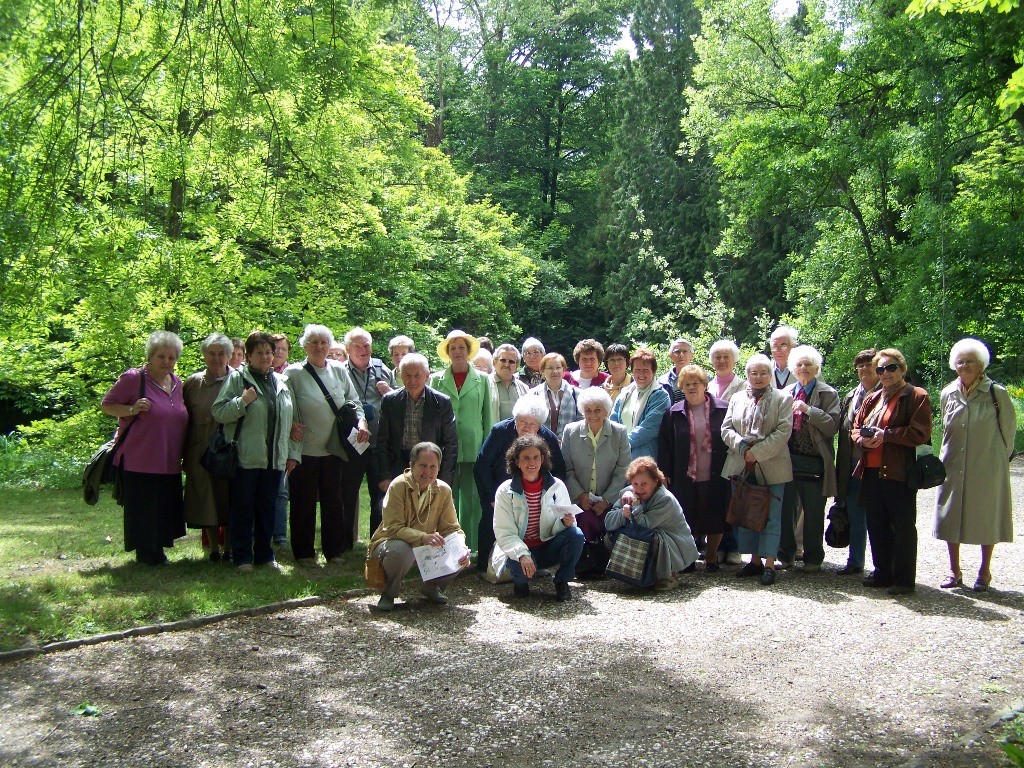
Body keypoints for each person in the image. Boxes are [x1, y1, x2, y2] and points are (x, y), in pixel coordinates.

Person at [212, 331, 298, 571]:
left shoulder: (281, 382)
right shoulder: (238, 379)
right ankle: (242, 557)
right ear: (248, 356)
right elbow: (219, 412)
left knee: (267, 507)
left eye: (269, 352)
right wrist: (243, 402)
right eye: (259, 352)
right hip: (246, 457)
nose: (265, 356)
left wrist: (291, 453)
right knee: (243, 508)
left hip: (274, 459)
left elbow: (289, 421)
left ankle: (264, 555)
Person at [101, 331, 189, 566]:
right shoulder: (134, 378)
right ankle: (146, 552)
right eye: (161, 356)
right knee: (143, 506)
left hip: (168, 458)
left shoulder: (178, 383)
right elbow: (107, 405)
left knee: (163, 505)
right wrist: (131, 409)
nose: (167, 362)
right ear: (150, 357)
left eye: (172, 357)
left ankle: (158, 548)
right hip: (140, 457)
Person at [935, 338, 1015, 592]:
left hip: (987, 465)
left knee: (986, 515)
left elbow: (1008, 434)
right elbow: (945, 430)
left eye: (970, 361)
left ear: (981, 364)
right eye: (960, 361)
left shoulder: (996, 393)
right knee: (950, 515)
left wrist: (996, 462)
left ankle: (984, 571)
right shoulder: (948, 392)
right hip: (952, 464)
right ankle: (954, 570)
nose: (965, 365)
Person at [284, 324, 369, 564]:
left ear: (330, 345)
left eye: (323, 342)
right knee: (303, 502)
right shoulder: (293, 373)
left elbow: (354, 402)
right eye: (314, 342)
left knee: (334, 501)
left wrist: (362, 423)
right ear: (304, 346)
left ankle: (334, 550)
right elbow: (285, 407)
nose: (319, 346)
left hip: (335, 448)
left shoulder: (339, 371)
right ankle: (304, 553)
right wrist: (291, 423)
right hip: (305, 449)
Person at [852, 348, 932, 595]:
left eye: (890, 368)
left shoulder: (916, 396)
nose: (885, 373)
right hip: (872, 471)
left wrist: (886, 435)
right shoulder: (873, 398)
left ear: (902, 369)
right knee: (876, 524)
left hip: (899, 472)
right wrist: (863, 441)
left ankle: (904, 579)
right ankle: (882, 572)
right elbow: (855, 428)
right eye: (880, 369)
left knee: (903, 525)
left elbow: (921, 433)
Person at [367, 442, 471, 611]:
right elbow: (393, 528)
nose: (428, 472)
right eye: (423, 466)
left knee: (460, 553)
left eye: (433, 466)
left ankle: (431, 587)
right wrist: (422, 537)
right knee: (401, 550)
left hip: (426, 544)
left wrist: (462, 546)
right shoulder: (398, 485)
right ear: (411, 465)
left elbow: (452, 528)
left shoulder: (443, 490)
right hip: (392, 542)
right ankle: (388, 593)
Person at [721, 354, 794, 586]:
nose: (758, 377)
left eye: (763, 372)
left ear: (770, 374)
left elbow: (784, 431)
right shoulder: (737, 397)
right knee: (746, 513)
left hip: (772, 465)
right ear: (747, 375)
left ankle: (770, 563)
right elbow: (726, 428)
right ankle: (753, 561)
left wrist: (758, 452)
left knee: (771, 516)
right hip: (741, 464)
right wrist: (743, 448)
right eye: (754, 372)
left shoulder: (783, 398)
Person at [474, 398, 566, 571]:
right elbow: (482, 465)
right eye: (522, 421)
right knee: (490, 519)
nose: (527, 427)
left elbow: (559, 471)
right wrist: (490, 497)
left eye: (532, 424)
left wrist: (550, 499)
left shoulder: (548, 438)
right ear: (515, 419)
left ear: (539, 426)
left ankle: (535, 563)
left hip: (536, 494)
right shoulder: (500, 431)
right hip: (498, 489)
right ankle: (484, 566)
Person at [491, 434, 585, 601]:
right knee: (520, 575)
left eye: (535, 457)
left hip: (548, 546)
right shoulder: (505, 491)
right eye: (526, 458)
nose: (531, 462)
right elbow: (504, 532)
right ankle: (520, 583)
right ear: (517, 462)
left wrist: (565, 522)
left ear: (542, 459)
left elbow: (566, 521)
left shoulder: (557, 486)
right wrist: (522, 554)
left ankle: (562, 581)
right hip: (520, 548)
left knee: (576, 534)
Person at [657, 365, 730, 573]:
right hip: (684, 475)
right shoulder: (673, 412)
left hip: (716, 473)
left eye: (695, 383)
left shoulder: (723, 409)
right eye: (686, 384)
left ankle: (712, 557)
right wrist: (665, 472)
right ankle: (687, 558)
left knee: (715, 515)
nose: (691, 387)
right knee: (686, 517)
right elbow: (665, 446)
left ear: (705, 385)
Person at [776, 345, 840, 572]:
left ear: (816, 368)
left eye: (808, 365)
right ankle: (785, 555)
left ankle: (813, 558)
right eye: (799, 364)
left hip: (815, 462)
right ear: (794, 368)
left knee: (813, 513)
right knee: (786, 511)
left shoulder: (828, 393)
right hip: (788, 461)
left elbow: (832, 426)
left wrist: (809, 410)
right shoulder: (785, 393)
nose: (803, 368)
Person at [431, 329, 493, 552]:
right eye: (453, 348)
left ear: (469, 352)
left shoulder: (483, 379)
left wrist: (487, 449)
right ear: (448, 353)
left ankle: (472, 546)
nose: (457, 352)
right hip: (444, 449)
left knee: (472, 499)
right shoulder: (436, 379)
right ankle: (446, 546)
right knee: (445, 498)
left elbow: (489, 417)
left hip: (473, 447)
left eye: (462, 348)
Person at [605, 457, 698, 590]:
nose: (639, 489)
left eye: (644, 484)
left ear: (655, 481)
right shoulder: (627, 493)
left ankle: (668, 574)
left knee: (651, 538)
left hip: (673, 541)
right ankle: (638, 573)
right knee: (609, 537)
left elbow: (645, 525)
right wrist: (623, 514)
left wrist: (635, 506)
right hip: (648, 534)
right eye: (635, 484)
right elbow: (608, 522)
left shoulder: (665, 499)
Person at [182, 333, 233, 561]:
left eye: (221, 353)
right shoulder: (193, 383)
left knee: (230, 497)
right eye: (211, 353)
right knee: (207, 499)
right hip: (200, 449)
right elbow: (182, 420)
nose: (216, 358)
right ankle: (213, 548)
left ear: (229, 356)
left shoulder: (240, 380)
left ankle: (230, 547)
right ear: (204, 356)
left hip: (230, 451)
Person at [374, 353, 459, 490]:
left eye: (417, 375)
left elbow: (451, 444)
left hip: (429, 465)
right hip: (399, 463)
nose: (412, 380)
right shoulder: (390, 401)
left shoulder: (442, 402)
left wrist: (444, 480)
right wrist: (385, 476)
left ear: (427, 376)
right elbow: (383, 441)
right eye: (407, 375)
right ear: (401, 376)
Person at [562, 387, 632, 547]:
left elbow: (623, 469)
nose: (593, 415)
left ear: (606, 411)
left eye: (598, 410)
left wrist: (607, 500)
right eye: (588, 410)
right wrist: (580, 495)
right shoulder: (570, 432)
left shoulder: (619, 432)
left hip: (610, 499)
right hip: (580, 501)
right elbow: (567, 468)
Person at [343, 327, 395, 537]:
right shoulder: (340, 371)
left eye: (366, 345)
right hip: (351, 442)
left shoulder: (382, 370)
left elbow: (397, 403)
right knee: (347, 492)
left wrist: (390, 392)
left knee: (380, 494)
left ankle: (377, 540)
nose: (363, 350)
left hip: (379, 444)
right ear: (347, 349)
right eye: (357, 346)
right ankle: (344, 541)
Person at [834, 349, 879, 576]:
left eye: (869, 365)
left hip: (876, 466)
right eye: (860, 366)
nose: (864, 369)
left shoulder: (887, 393)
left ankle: (882, 564)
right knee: (854, 514)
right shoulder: (851, 396)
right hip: (851, 465)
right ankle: (855, 561)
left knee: (878, 516)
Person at [611, 348, 670, 460]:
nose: (641, 374)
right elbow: (613, 421)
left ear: (653, 371)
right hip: (621, 457)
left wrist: (622, 444)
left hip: (644, 458)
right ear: (632, 371)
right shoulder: (625, 393)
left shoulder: (660, 396)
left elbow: (649, 428)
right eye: (637, 369)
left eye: (646, 370)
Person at [529, 352, 581, 438]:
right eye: (550, 368)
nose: (555, 371)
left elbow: (581, 421)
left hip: (569, 445)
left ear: (563, 370)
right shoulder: (533, 394)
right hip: (541, 445)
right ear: (542, 371)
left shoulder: (576, 394)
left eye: (558, 368)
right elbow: (530, 422)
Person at [489, 343, 530, 422]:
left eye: (511, 362)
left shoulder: (524, 389)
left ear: (517, 365)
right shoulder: (485, 384)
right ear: (494, 362)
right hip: (492, 433)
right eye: (503, 360)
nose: (506, 364)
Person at [659, 339, 695, 404]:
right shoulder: (662, 382)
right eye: (677, 352)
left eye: (685, 351)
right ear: (671, 356)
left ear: (692, 355)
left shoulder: (703, 378)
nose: (681, 355)